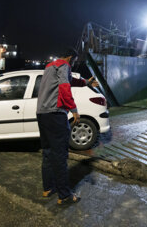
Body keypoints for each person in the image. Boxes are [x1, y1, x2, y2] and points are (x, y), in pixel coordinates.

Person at [36, 48, 98, 205]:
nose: (74, 63)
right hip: (56, 114)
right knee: (60, 155)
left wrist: (86, 82)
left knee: (48, 152)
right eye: (74, 60)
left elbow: (69, 81)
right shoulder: (64, 65)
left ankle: (48, 188)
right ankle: (64, 195)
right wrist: (74, 109)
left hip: (42, 114)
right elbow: (64, 86)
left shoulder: (50, 66)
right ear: (71, 57)